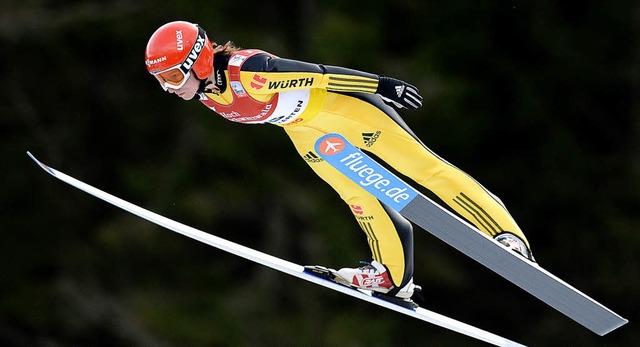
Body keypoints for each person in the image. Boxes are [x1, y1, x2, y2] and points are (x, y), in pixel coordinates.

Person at [144, 21, 534, 304]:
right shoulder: (208, 95)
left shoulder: (249, 71)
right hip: (306, 132)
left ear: (197, 61)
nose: (168, 88)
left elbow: (321, 75)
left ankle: (506, 234)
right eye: (161, 81)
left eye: (172, 76)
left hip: (346, 112)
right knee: (358, 196)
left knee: (422, 168)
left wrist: (381, 85)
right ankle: (392, 277)